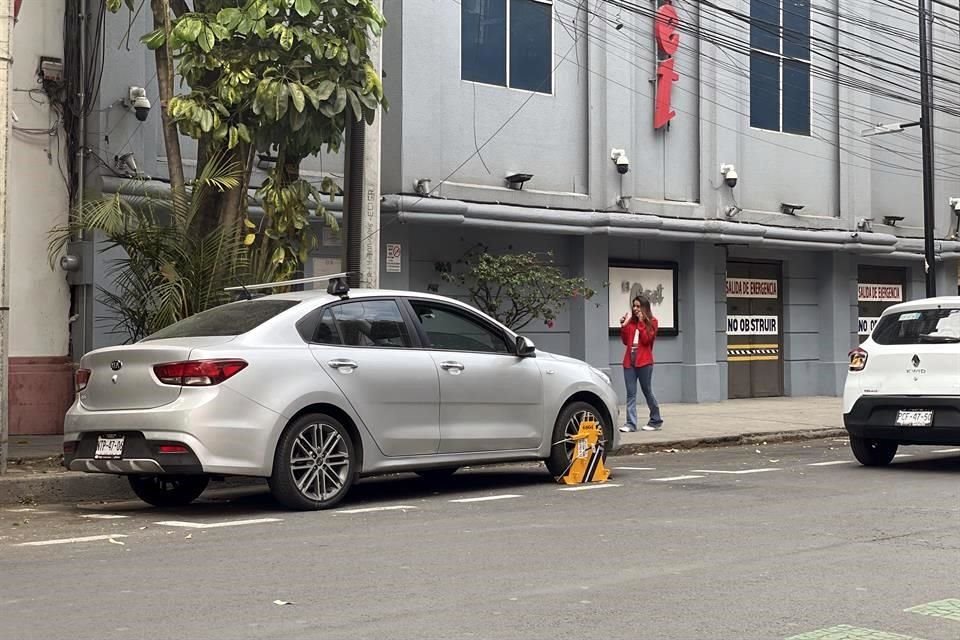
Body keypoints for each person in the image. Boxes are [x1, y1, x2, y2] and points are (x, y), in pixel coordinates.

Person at [618, 296, 663, 432]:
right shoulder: (631, 322)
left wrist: (642, 322)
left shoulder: (653, 322)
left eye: (638, 306)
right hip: (629, 361)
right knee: (631, 393)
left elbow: (646, 340)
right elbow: (626, 341)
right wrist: (624, 326)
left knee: (647, 391)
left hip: (644, 361)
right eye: (634, 306)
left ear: (644, 307)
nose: (635, 309)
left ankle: (655, 420)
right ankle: (630, 424)